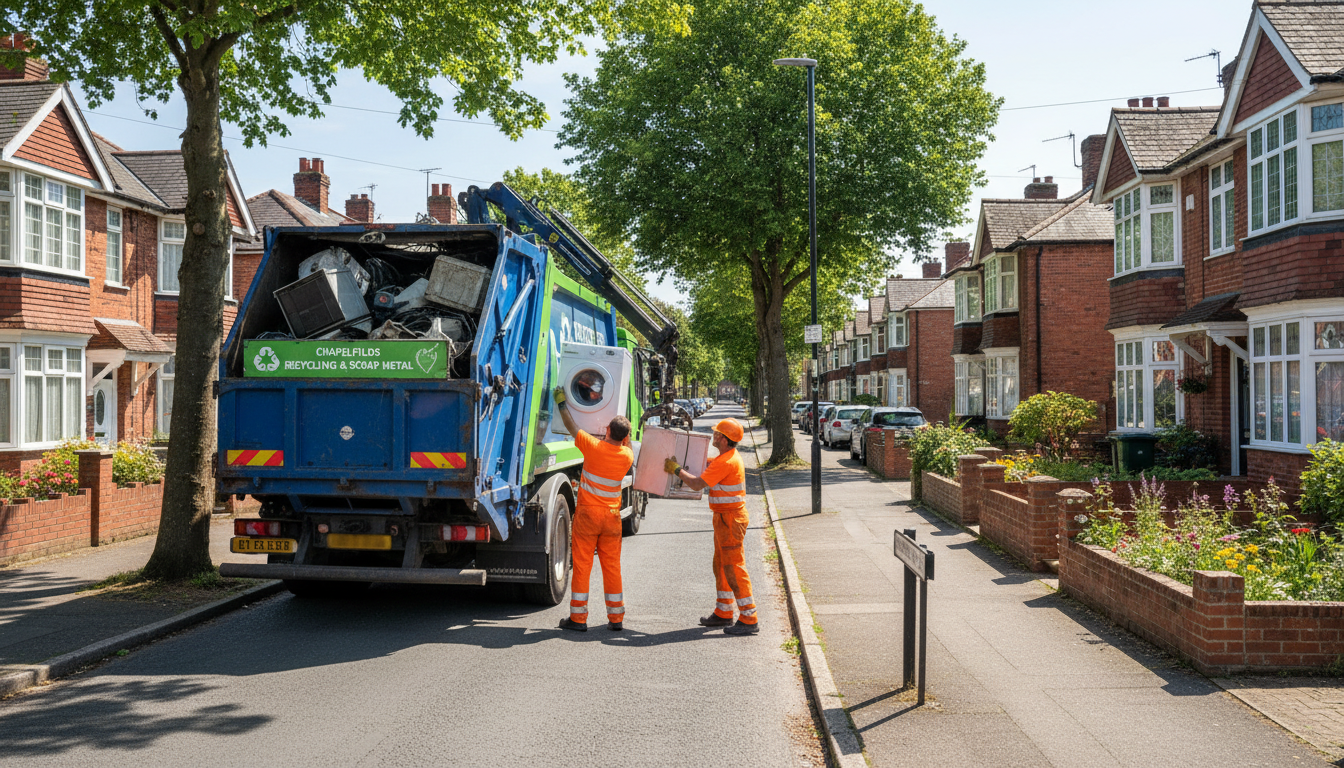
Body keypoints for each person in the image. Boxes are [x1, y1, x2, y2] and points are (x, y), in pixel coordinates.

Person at [664, 418, 758, 636]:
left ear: (724, 440)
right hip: (725, 518)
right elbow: (710, 468)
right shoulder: (726, 458)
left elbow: (697, 484)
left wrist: (676, 470)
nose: (713, 436)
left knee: (733, 567)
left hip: (730, 519)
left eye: (717, 434)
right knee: (721, 565)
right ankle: (724, 612)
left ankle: (749, 617)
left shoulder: (725, 462)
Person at [553, 385, 634, 632]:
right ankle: (616, 618)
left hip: (588, 516)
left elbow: (571, 427)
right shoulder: (627, 456)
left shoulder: (593, 447)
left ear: (607, 430)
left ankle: (578, 619)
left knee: (582, 566)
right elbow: (627, 444)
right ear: (625, 437)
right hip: (611, 518)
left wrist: (562, 403)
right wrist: (625, 435)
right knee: (612, 567)